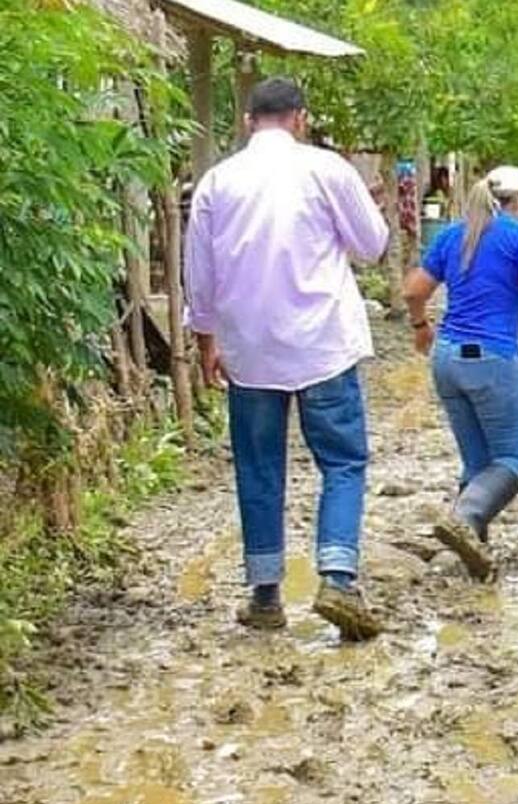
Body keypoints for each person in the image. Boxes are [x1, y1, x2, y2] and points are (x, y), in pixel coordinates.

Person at [184, 77, 389, 640]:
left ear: (249, 121)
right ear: (300, 118)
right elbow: (373, 245)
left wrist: (205, 339)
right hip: (324, 341)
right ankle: (339, 576)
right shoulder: (327, 170)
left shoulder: (216, 183)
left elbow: (198, 274)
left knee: (258, 467)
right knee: (343, 462)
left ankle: (266, 594)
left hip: (248, 349)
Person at [401, 166, 518, 580]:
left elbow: (413, 290)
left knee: (478, 461)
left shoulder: (453, 235)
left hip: (447, 357)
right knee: (512, 458)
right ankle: (466, 519)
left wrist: (421, 327)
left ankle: (475, 559)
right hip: (490, 358)